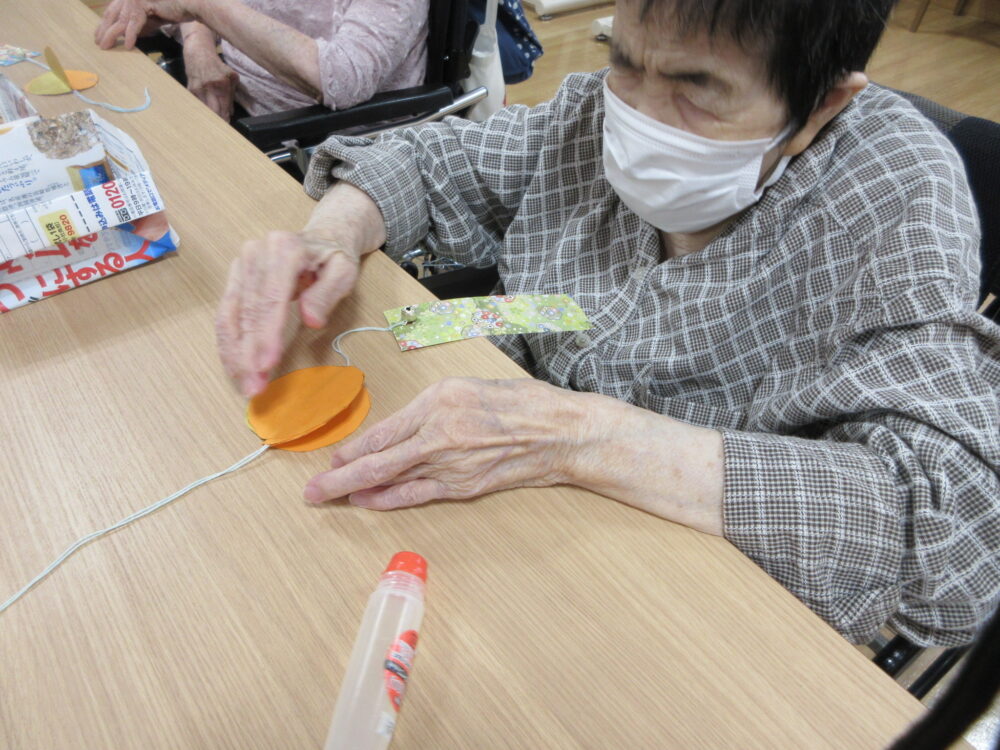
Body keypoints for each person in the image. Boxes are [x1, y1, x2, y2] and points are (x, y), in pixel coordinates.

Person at [215, 0, 1000, 648]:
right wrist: (332, 236)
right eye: (624, 59)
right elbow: (438, 159)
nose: (638, 115)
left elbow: (953, 534)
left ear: (821, 104)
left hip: (674, 592)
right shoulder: (601, 104)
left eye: (697, 88)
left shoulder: (896, 188)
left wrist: (589, 438)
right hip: (500, 497)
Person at [93, 0, 429, 120]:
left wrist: (203, 8)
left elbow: (342, 79)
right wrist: (198, 44)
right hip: (229, 102)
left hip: (317, 138)